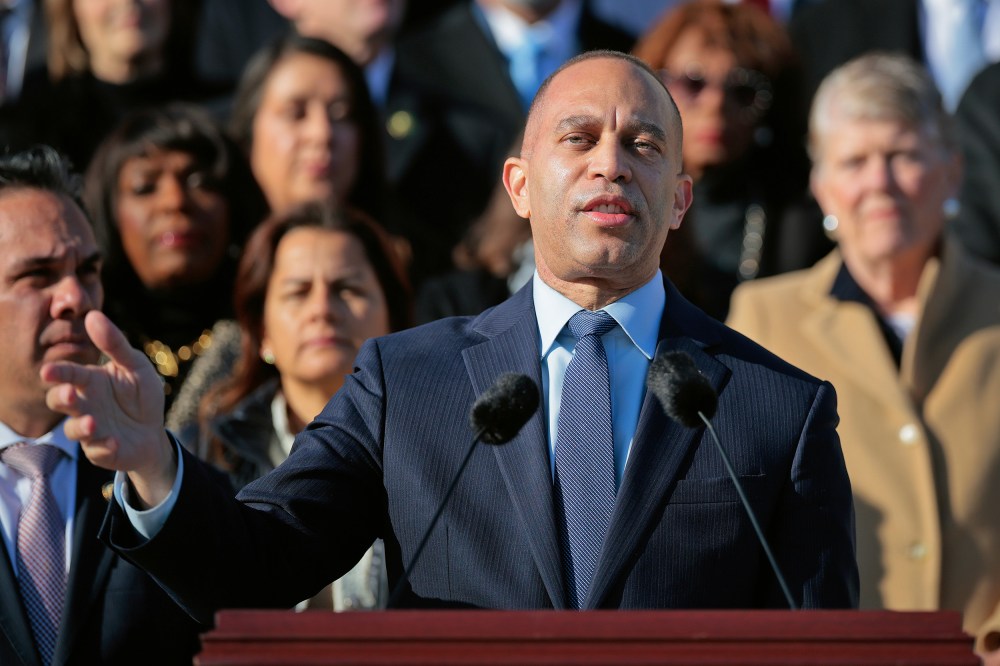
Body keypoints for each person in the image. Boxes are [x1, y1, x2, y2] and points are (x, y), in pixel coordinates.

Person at [42, 51, 858, 624]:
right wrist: (153, 465)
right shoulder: (409, 380)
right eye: (579, 139)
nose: (612, 165)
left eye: (643, 146)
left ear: (679, 200)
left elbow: (823, 650)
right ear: (520, 186)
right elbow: (263, 558)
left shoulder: (775, 405)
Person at [726, 54, 1000, 662]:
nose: (880, 181)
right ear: (822, 187)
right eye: (854, 161)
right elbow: (739, 520)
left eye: (903, 155)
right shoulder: (763, 320)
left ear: (953, 173)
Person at [0, 146, 206, 665]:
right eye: (38, 275)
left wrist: (155, 466)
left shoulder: (153, 470)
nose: (75, 296)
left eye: (87, 270)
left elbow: (233, 609)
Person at [182, 202, 412, 611]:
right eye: (298, 292)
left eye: (348, 289)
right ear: (262, 332)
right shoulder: (200, 452)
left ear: (391, 316)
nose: (322, 309)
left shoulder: (445, 443)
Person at [632, 0, 832, 320]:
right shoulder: (620, 195)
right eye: (692, 83)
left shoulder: (801, 218)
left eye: (744, 91)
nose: (715, 104)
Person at [83, 104, 267, 415]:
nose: (175, 201)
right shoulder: (79, 342)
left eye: (200, 183)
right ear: (110, 215)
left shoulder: (268, 336)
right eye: (145, 187)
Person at [228, 33, 386, 222]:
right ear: (248, 133)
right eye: (296, 114)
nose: (322, 133)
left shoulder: (408, 248)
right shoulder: (213, 246)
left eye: (340, 114)